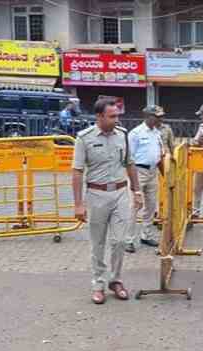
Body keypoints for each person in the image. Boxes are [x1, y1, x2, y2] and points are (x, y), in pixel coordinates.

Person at [72, 98, 144, 305]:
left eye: (117, 115)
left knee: (120, 241)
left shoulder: (123, 135)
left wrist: (136, 191)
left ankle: (116, 280)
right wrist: (78, 204)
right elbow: (77, 172)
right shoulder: (84, 138)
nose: (117, 119)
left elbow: (130, 164)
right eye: (112, 116)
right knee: (98, 243)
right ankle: (98, 284)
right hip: (96, 195)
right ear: (99, 117)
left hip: (120, 193)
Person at [125, 105, 172, 253]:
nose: (160, 119)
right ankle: (129, 240)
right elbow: (129, 158)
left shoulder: (157, 133)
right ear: (148, 117)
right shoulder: (136, 133)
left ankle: (146, 235)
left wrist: (165, 175)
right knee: (134, 206)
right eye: (157, 117)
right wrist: (133, 181)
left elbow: (159, 156)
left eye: (161, 117)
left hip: (152, 172)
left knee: (151, 206)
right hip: (138, 171)